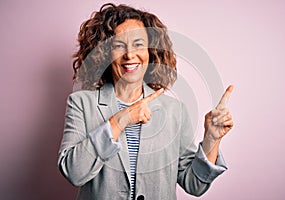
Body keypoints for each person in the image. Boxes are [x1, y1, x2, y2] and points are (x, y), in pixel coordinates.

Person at [57, 3, 234, 200]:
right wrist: (120, 120)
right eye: (118, 45)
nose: (130, 55)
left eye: (138, 44)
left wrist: (212, 139)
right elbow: (74, 172)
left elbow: (194, 184)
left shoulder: (174, 110)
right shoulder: (81, 103)